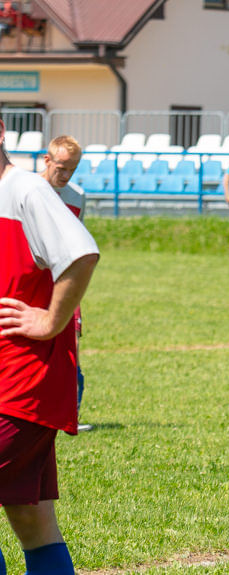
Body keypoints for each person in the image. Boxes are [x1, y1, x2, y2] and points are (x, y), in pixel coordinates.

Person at [0, 116, 100, 575]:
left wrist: (50, 320)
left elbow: (79, 253)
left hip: (20, 383)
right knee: (31, 517)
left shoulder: (27, 190)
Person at [41, 135, 93, 433]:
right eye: (60, 167)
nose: (64, 175)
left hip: (63, 283)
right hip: (31, 283)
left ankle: (68, 415)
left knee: (70, 348)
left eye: (71, 169)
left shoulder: (77, 196)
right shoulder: (25, 189)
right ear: (47, 160)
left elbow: (77, 246)